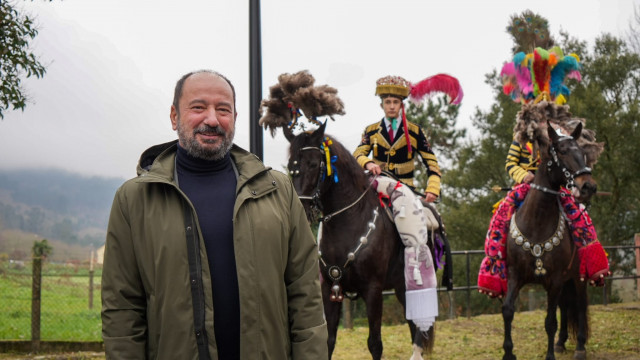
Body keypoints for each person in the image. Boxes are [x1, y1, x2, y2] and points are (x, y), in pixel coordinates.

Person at [101, 70, 328, 359]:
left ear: (234, 117)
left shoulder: (278, 191)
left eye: (223, 110)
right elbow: (122, 308)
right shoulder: (134, 199)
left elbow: (305, 292)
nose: (212, 119)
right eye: (198, 107)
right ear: (174, 116)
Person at [477, 45, 610, 298]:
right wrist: (523, 176)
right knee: (499, 220)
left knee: (581, 219)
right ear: (531, 114)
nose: (542, 118)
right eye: (538, 113)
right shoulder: (521, 138)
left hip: (558, 190)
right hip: (526, 188)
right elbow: (510, 164)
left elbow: (575, 164)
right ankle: (496, 271)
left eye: (546, 113)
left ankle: (589, 267)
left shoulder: (563, 138)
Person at [353, 74, 462, 202]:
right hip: (376, 189)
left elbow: (431, 162)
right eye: (388, 102)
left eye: (395, 102)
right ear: (382, 106)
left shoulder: (414, 131)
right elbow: (357, 154)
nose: (392, 106)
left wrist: (433, 187)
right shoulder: (371, 131)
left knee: (429, 219)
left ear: (401, 105)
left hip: (405, 191)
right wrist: (368, 163)